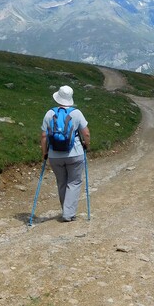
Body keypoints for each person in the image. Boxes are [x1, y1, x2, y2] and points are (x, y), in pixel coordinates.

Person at [41, 85, 91, 222]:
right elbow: (86, 133)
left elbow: (44, 136)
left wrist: (45, 153)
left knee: (61, 182)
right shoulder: (76, 113)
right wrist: (86, 144)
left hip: (54, 155)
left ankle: (66, 210)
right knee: (74, 182)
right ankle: (68, 214)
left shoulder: (49, 113)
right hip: (75, 153)